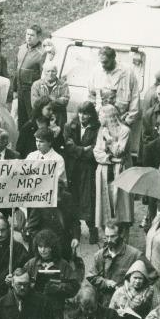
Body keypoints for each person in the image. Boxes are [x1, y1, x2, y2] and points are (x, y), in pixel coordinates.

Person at [23, 229, 80, 319]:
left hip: (55, 310)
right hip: (34, 309)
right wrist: (31, 285)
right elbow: (22, 281)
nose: (43, 250)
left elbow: (75, 287)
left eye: (46, 247)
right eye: (40, 246)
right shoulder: (31, 264)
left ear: (53, 247)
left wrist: (60, 287)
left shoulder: (63, 265)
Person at [64, 101, 100, 243]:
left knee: (88, 199)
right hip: (73, 168)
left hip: (88, 169)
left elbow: (95, 150)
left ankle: (93, 229)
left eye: (86, 113)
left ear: (91, 114)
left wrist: (77, 150)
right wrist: (82, 149)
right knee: (73, 198)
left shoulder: (97, 128)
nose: (82, 116)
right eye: (80, 112)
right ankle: (75, 231)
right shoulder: (70, 126)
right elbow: (67, 146)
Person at [94, 105, 133, 230]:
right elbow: (96, 153)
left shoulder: (125, 131)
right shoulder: (102, 130)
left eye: (101, 115)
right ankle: (108, 235)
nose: (99, 118)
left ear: (108, 117)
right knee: (106, 204)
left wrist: (109, 139)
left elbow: (119, 152)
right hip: (105, 170)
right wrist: (111, 159)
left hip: (121, 171)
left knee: (121, 205)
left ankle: (122, 234)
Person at [86, 46, 138, 118]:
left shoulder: (127, 72)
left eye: (106, 62)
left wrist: (129, 119)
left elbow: (135, 97)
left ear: (113, 58)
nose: (103, 65)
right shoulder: (95, 71)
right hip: (100, 118)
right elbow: (90, 96)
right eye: (101, 62)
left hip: (121, 119)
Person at [11, 24, 46, 128]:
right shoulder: (21, 48)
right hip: (20, 90)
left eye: (32, 35)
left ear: (38, 37)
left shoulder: (42, 53)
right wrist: (15, 90)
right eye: (27, 34)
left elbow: (43, 75)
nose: (28, 37)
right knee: (20, 120)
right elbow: (16, 70)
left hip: (31, 91)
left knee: (32, 118)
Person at [30, 61, 70, 129]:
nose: (50, 74)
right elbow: (35, 103)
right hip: (42, 116)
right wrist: (54, 100)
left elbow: (65, 100)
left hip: (58, 117)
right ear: (44, 72)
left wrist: (46, 101)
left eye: (53, 71)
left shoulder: (63, 84)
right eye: (48, 71)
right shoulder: (36, 84)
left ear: (56, 72)